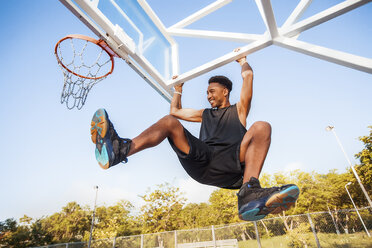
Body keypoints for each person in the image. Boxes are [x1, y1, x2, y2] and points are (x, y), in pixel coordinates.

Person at [90, 51, 299, 221]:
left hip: (232, 162)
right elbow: (175, 112)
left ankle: (249, 193)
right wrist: (178, 90)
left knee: (262, 126)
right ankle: (119, 151)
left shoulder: (239, 110)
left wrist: (243, 61)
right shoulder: (204, 114)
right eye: (207, 92)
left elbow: (249, 77)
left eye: (212, 91)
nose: (208, 95)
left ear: (225, 92)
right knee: (169, 122)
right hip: (203, 158)